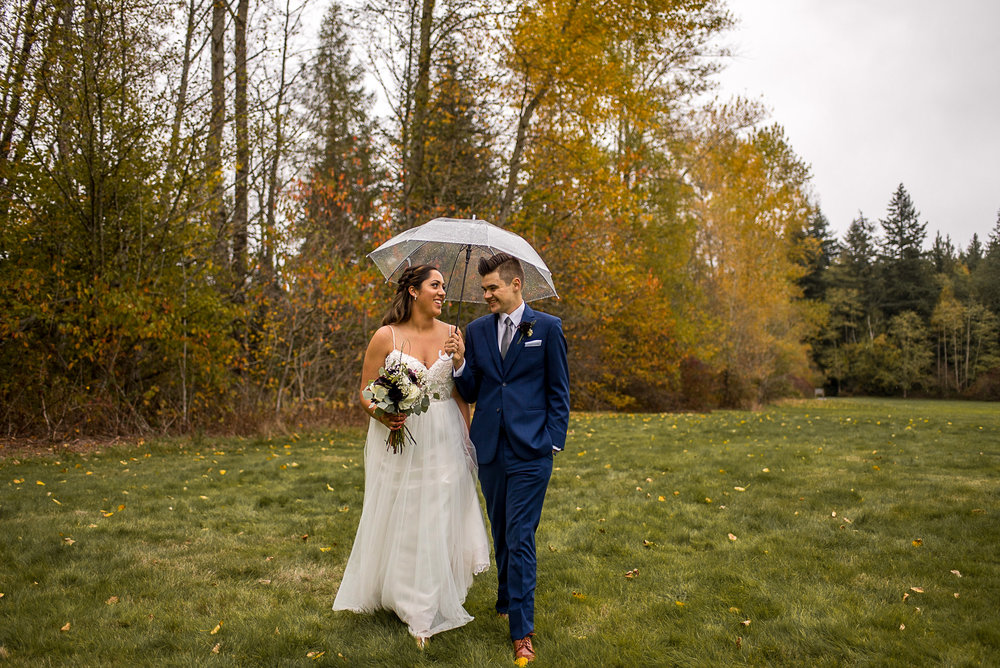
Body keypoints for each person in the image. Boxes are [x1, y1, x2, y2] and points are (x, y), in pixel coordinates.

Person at [332, 265, 490, 647]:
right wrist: (386, 415)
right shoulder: (385, 336)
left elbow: (460, 394)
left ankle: (422, 609)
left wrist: (459, 362)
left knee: (437, 513)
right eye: (435, 286)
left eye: (443, 288)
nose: (442, 293)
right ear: (414, 290)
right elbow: (366, 392)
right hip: (401, 434)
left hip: (444, 435)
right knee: (404, 512)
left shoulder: (453, 334)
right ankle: (401, 593)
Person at [444, 252, 570, 664]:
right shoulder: (477, 331)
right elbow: (474, 390)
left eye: (493, 288)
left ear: (517, 285)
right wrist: (461, 364)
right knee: (500, 530)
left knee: (520, 537)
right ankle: (506, 596)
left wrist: (552, 442)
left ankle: (522, 631)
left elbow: (559, 391)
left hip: (532, 451)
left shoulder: (547, 328)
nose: (486, 295)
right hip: (491, 449)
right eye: (483, 289)